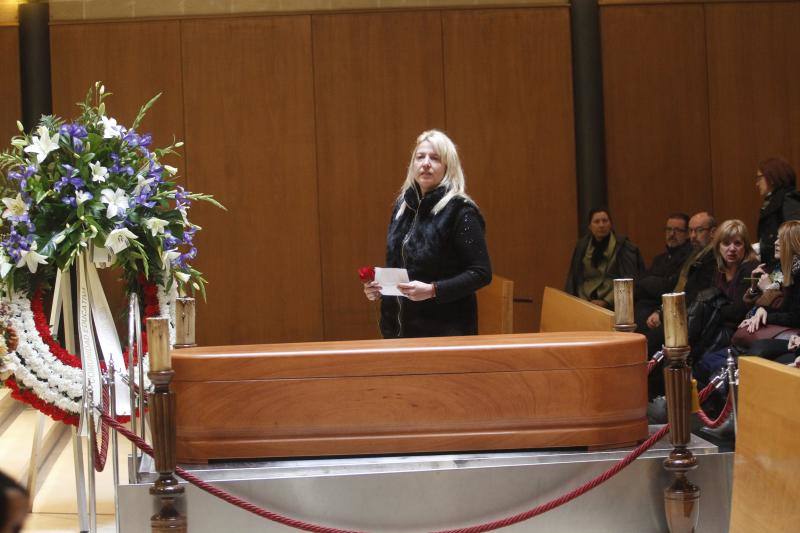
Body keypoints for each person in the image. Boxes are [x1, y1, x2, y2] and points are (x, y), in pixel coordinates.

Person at [363, 130, 491, 338]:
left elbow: (481, 273)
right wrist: (379, 289)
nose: (426, 163)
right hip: (397, 331)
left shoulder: (460, 211)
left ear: (448, 167)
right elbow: (400, 266)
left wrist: (433, 290)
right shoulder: (403, 207)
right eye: (420, 157)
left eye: (435, 158)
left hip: (444, 332)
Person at [735, 220, 800, 363]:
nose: (776, 242)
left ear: (794, 244)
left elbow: (793, 314)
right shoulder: (780, 268)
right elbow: (754, 306)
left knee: (757, 349)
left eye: (782, 239)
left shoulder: (797, 272)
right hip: (777, 326)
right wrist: (754, 288)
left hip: (790, 331)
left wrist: (768, 292)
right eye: (777, 238)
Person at [565, 208, 644, 309]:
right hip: (585, 303)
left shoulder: (623, 246)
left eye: (605, 221)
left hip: (615, 304)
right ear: (590, 226)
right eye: (596, 222)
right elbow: (575, 279)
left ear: (610, 224)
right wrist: (583, 301)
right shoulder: (582, 246)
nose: (601, 225)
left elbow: (629, 280)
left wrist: (606, 301)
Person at [635, 213, 693, 334]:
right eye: (669, 229)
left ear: (687, 234)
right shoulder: (659, 259)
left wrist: (649, 282)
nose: (672, 234)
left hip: (669, 311)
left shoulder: (689, 258)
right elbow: (643, 284)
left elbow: (669, 287)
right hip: (648, 307)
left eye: (677, 230)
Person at [755, 157, 800, 268]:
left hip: (785, 268)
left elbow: (794, 235)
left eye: (759, 177)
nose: (757, 183)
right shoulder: (773, 201)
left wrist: (776, 278)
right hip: (774, 266)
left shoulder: (788, 198)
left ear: (772, 177)